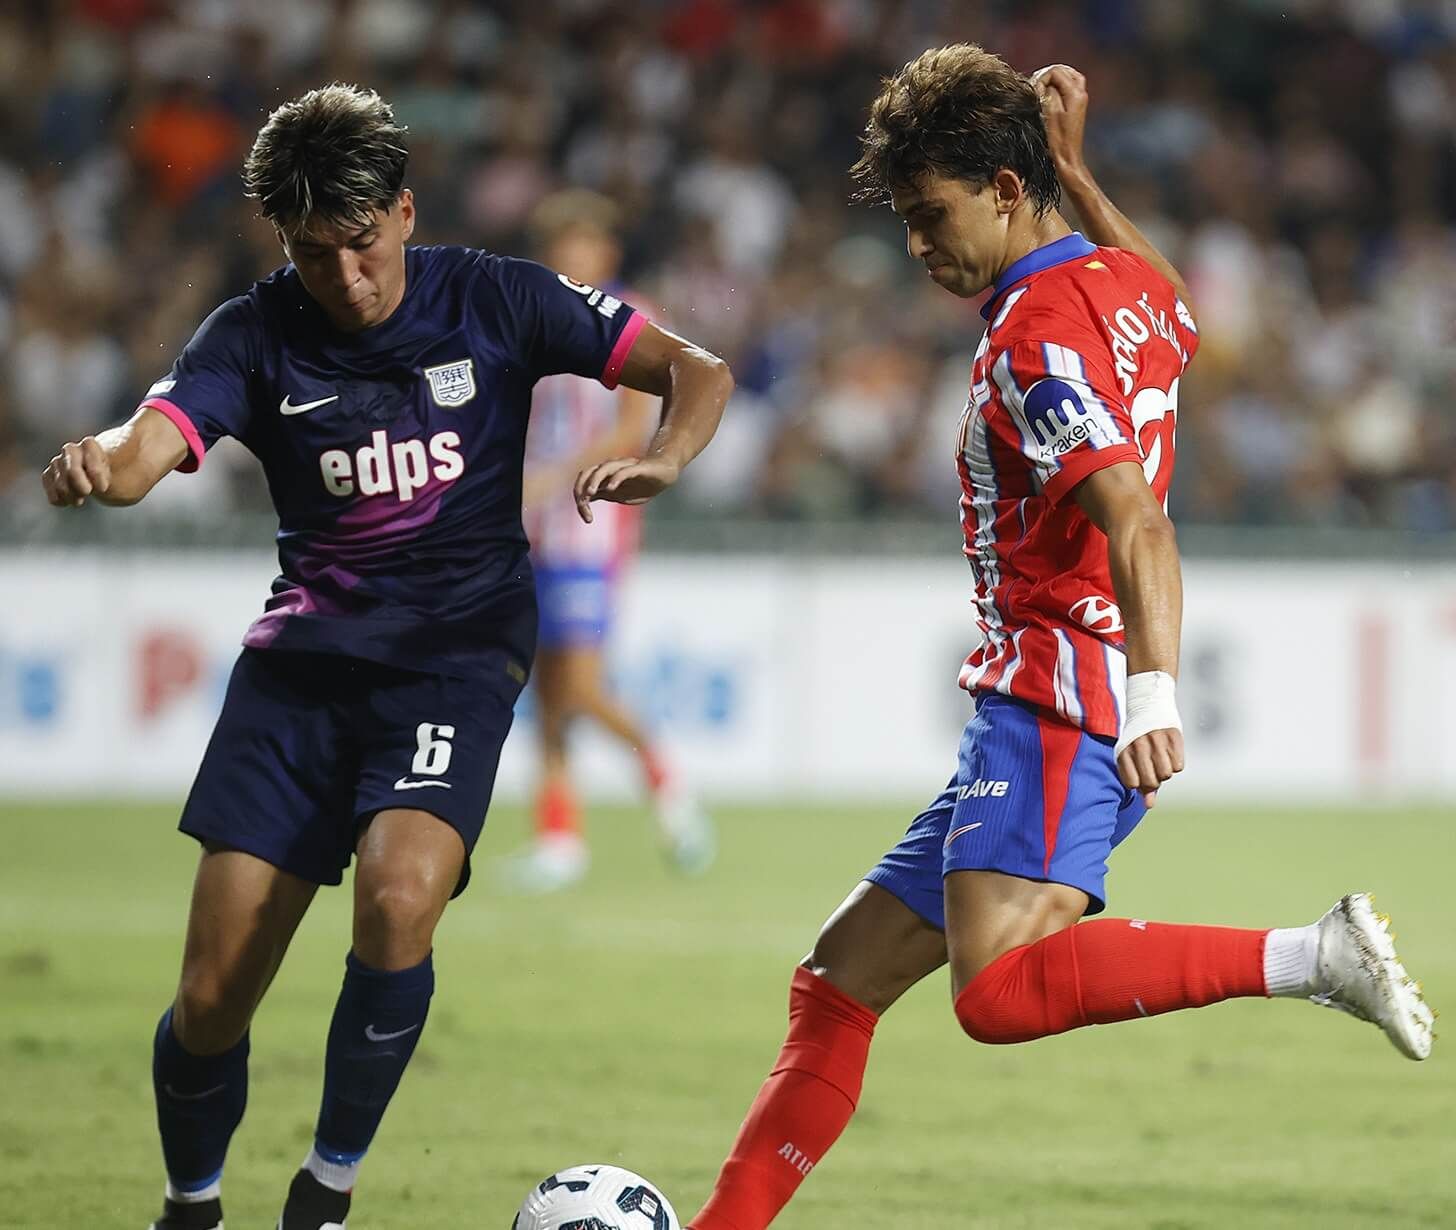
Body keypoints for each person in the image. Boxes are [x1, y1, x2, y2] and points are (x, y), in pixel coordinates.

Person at [686, 48, 1433, 1230]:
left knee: (995, 993)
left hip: (1056, 693)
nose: (920, 248)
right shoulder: (1121, 285)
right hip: (1045, 694)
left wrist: (1152, 694)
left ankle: (1310, 956)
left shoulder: (1034, 336)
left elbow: (1133, 513)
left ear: (998, 184)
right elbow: (1175, 306)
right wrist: (1078, 175)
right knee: (834, 983)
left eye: (932, 217)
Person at [40, 84, 732, 1230]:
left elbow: (695, 369)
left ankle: (326, 1190)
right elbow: (146, 441)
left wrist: (663, 457)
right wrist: (100, 464)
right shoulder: (251, 332)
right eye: (316, 256)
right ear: (285, 243)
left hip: (453, 659)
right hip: (301, 672)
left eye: (362, 245)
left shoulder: (499, 298)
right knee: (211, 998)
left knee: (400, 894)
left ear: (404, 212)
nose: (347, 279)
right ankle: (191, 1205)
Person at [504, 190, 716, 893]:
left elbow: (633, 428)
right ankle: (559, 839)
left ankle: (667, 782)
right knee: (542, 684)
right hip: (530, 524)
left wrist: (556, 476)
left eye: (583, 244)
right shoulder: (530, 318)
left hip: (588, 528)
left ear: (606, 253)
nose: (571, 257)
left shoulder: (631, 321)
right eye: (561, 245)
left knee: (582, 686)